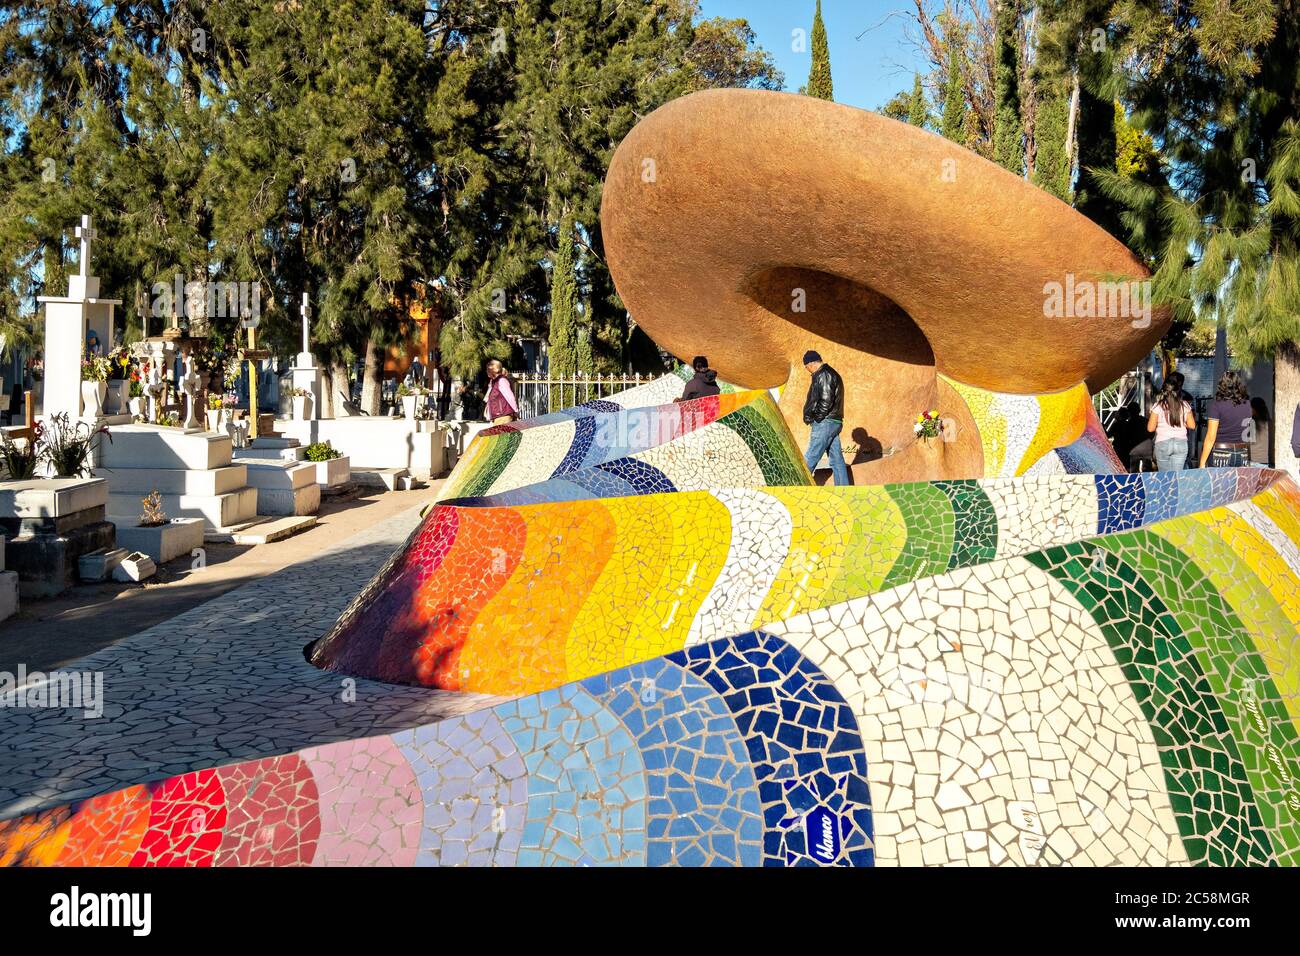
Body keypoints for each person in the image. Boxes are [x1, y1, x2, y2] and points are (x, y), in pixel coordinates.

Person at [801, 349, 849, 485]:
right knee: (837, 460)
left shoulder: (823, 374)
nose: (807, 370)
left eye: (806, 367)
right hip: (833, 421)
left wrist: (817, 418)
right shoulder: (829, 373)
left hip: (825, 422)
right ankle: (844, 489)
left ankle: (796, 485)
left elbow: (826, 400)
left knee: (811, 456)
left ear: (810, 364)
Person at [1199, 370, 1254, 468]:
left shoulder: (1216, 405)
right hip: (1242, 452)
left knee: (1219, 483)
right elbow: (1247, 430)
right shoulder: (1247, 404)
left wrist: (1202, 462)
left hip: (1220, 453)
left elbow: (1211, 436)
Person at [1147, 371, 1195, 471]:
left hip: (1163, 442)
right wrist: (1182, 422)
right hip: (1181, 443)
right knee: (1177, 476)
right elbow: (1192, 426)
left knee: (1166, 479)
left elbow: (1150, 428)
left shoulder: (1158, 406)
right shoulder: (1185, 405)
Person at [484, 358, 519, 424]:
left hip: (503, 416)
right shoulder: (494, 381)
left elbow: (510, 396)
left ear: (495, 370)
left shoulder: (502, 380)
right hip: (498, 416)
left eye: (489, 369)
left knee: (502, 434)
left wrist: (516, 411)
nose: (487, 371)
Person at [1249, 397, 1271, 467]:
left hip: (1253, 461)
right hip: (1268, 462)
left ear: (1253, 409)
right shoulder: (1271, 424)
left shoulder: (1250, 423)